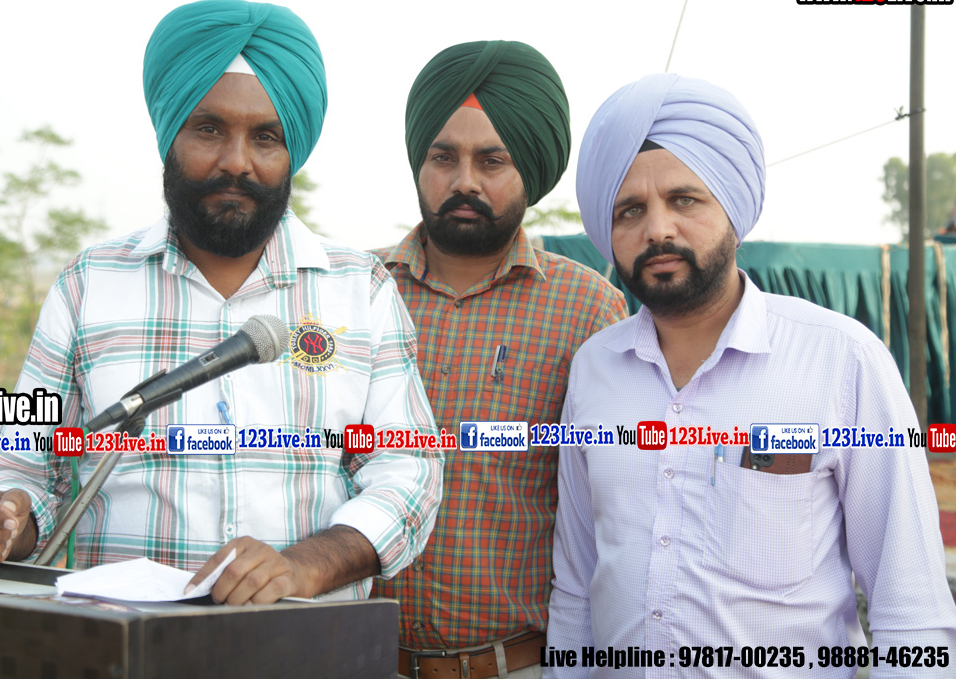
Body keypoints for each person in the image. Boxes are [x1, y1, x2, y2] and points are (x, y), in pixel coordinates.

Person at [0, 0, 443, 605]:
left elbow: (407, 475)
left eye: (266, 137)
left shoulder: (359, 289)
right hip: (121, 642)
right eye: (209, 129)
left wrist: (300, 568)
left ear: (293, 151)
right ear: (169, 135)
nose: (236, 162)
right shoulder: (89, 284)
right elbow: (24, 469)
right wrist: (0, 522)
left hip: (303, 645)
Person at [548, 73, 956, 677]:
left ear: (734, 212)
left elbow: (910, 605)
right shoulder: (594, 369)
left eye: (684, 200)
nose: (657, 228)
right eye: (630, 209)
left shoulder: (841, 360)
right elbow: (578, 586)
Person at [372, 41, 627, 678]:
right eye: (443, 157)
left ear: (529, 171)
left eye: (492, 160)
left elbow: (612, 504)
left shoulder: (586, 307)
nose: (464, 181)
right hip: (360, 661)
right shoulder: (355, 291)